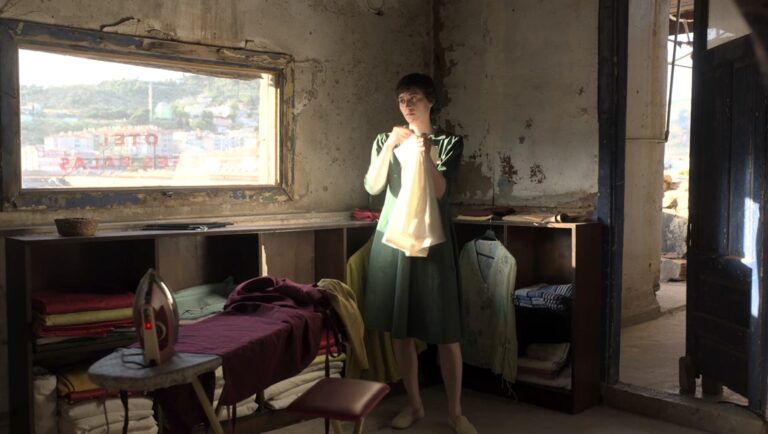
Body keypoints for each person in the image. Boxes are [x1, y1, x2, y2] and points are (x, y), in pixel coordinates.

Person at [362, 73, 477, 434]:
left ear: (430, 102)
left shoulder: (448, 142)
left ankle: (455, 413)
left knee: (446, 331)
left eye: (414, 98)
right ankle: (414, 406)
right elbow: (372, 186)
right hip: (394, 240)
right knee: (401, 331)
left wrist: (425, 153)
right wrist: (389, 144)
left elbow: (440, 191)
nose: (407, 105)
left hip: (433, 241)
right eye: (402, 100)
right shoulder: (386, 139)